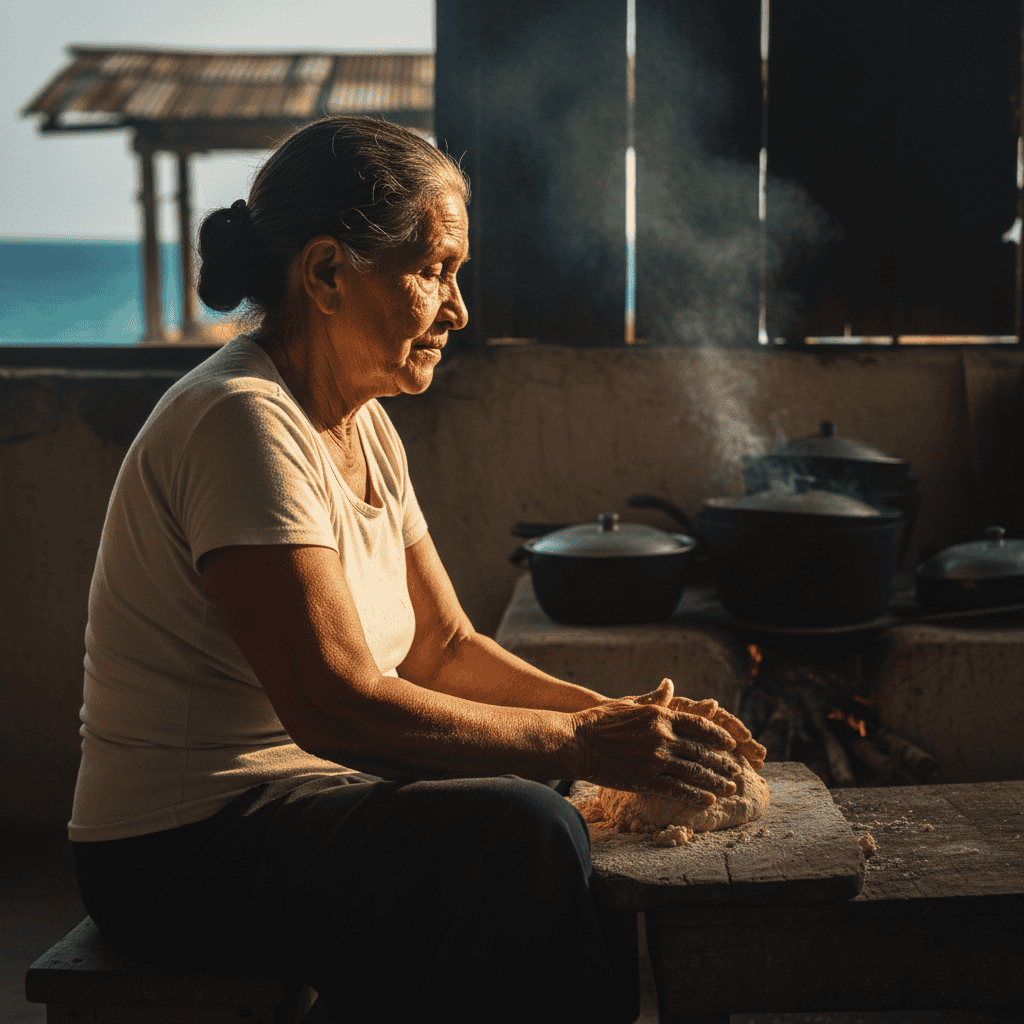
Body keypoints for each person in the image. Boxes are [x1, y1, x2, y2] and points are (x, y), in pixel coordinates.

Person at [69, 115, 765, 1024]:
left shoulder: (363, 423)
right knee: (527, 828)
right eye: (435, 271)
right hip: (181, 846)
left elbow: (442, 649)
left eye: (457, 275)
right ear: (326, 274)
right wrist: (587, 747)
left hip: (304, 809)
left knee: (547, 807)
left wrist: (618, 720)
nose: (459, 308)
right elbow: (334, 703)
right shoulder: (240, 419)